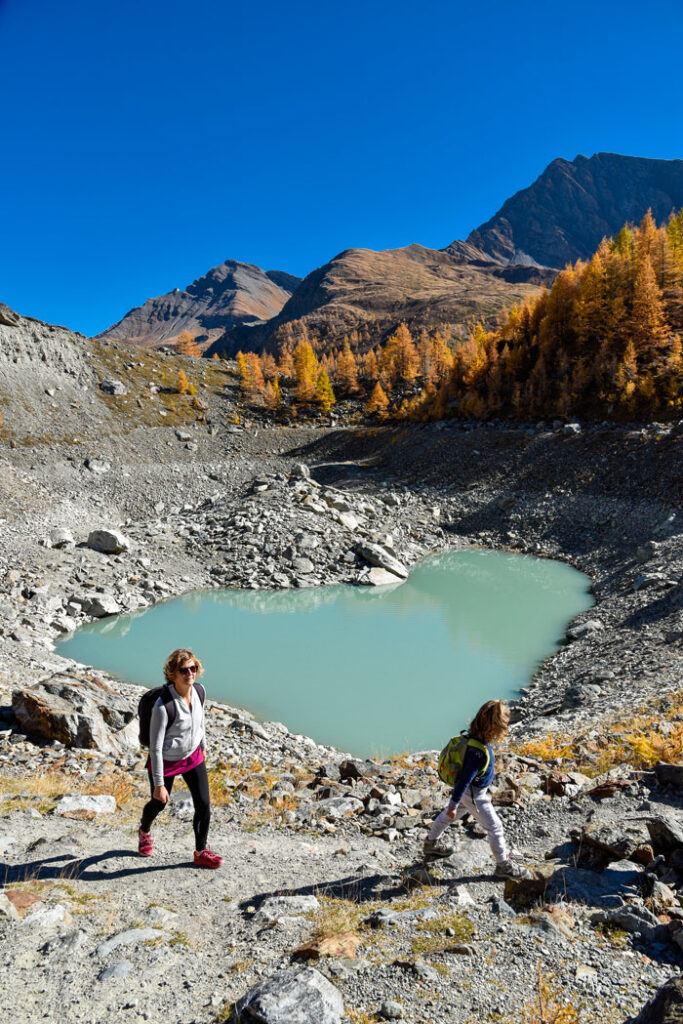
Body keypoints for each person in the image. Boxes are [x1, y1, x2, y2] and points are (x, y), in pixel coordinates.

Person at [138, 648, 223, 868]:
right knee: (159, 803)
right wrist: (158, 784)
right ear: (173, 674)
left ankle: (201, 851)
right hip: (166, 761)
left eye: (193, 668)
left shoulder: (200, 691)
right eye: (184, 670)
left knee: (203, 804)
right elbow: (155, 749)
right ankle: (144, 829)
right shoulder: (163, 706)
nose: (190, 674)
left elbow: (200, 721)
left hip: (193, 755)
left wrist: (202, 747)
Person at [423, 699, 523, 878]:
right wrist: (454, 804)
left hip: (472, 794)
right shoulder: (477, 753)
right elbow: (463, 781)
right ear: (493, 727)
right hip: (474, 795)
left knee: (450, 816)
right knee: (495, 827)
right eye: (502, 727)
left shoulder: (474, 740)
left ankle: (431, 843)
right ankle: (503, 865)